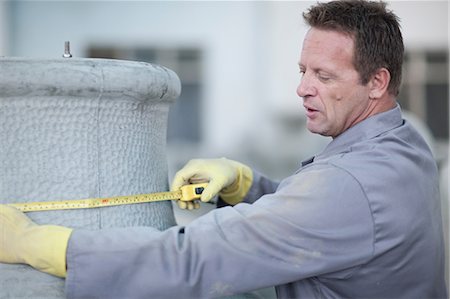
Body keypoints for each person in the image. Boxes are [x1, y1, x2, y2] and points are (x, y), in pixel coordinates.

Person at [0, 0, 447, 298]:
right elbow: (329, 220)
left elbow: (191, 259)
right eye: (302, 70)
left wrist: (38, 244)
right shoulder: (405, 144)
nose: (302, 88)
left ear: (377, 82)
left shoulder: (351, 184)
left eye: (324, 76)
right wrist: (246, 184)